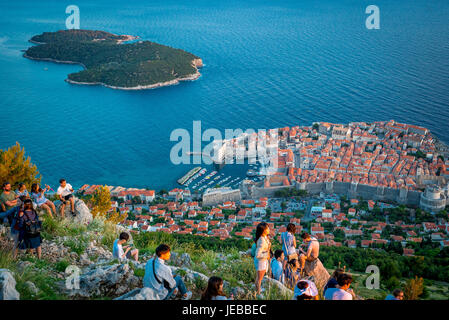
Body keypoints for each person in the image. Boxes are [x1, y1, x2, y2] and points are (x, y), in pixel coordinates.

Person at [253, 222, 271, 297]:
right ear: (263, 230)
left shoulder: (264, 237)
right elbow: (257, 254)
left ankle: (257, 290)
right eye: (267, 228)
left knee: (259, 277)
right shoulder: (262, 240)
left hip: (262, 261)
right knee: (259, 278)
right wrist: (266, 255)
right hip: (261, 261)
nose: (269, 229)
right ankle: (258, 293)